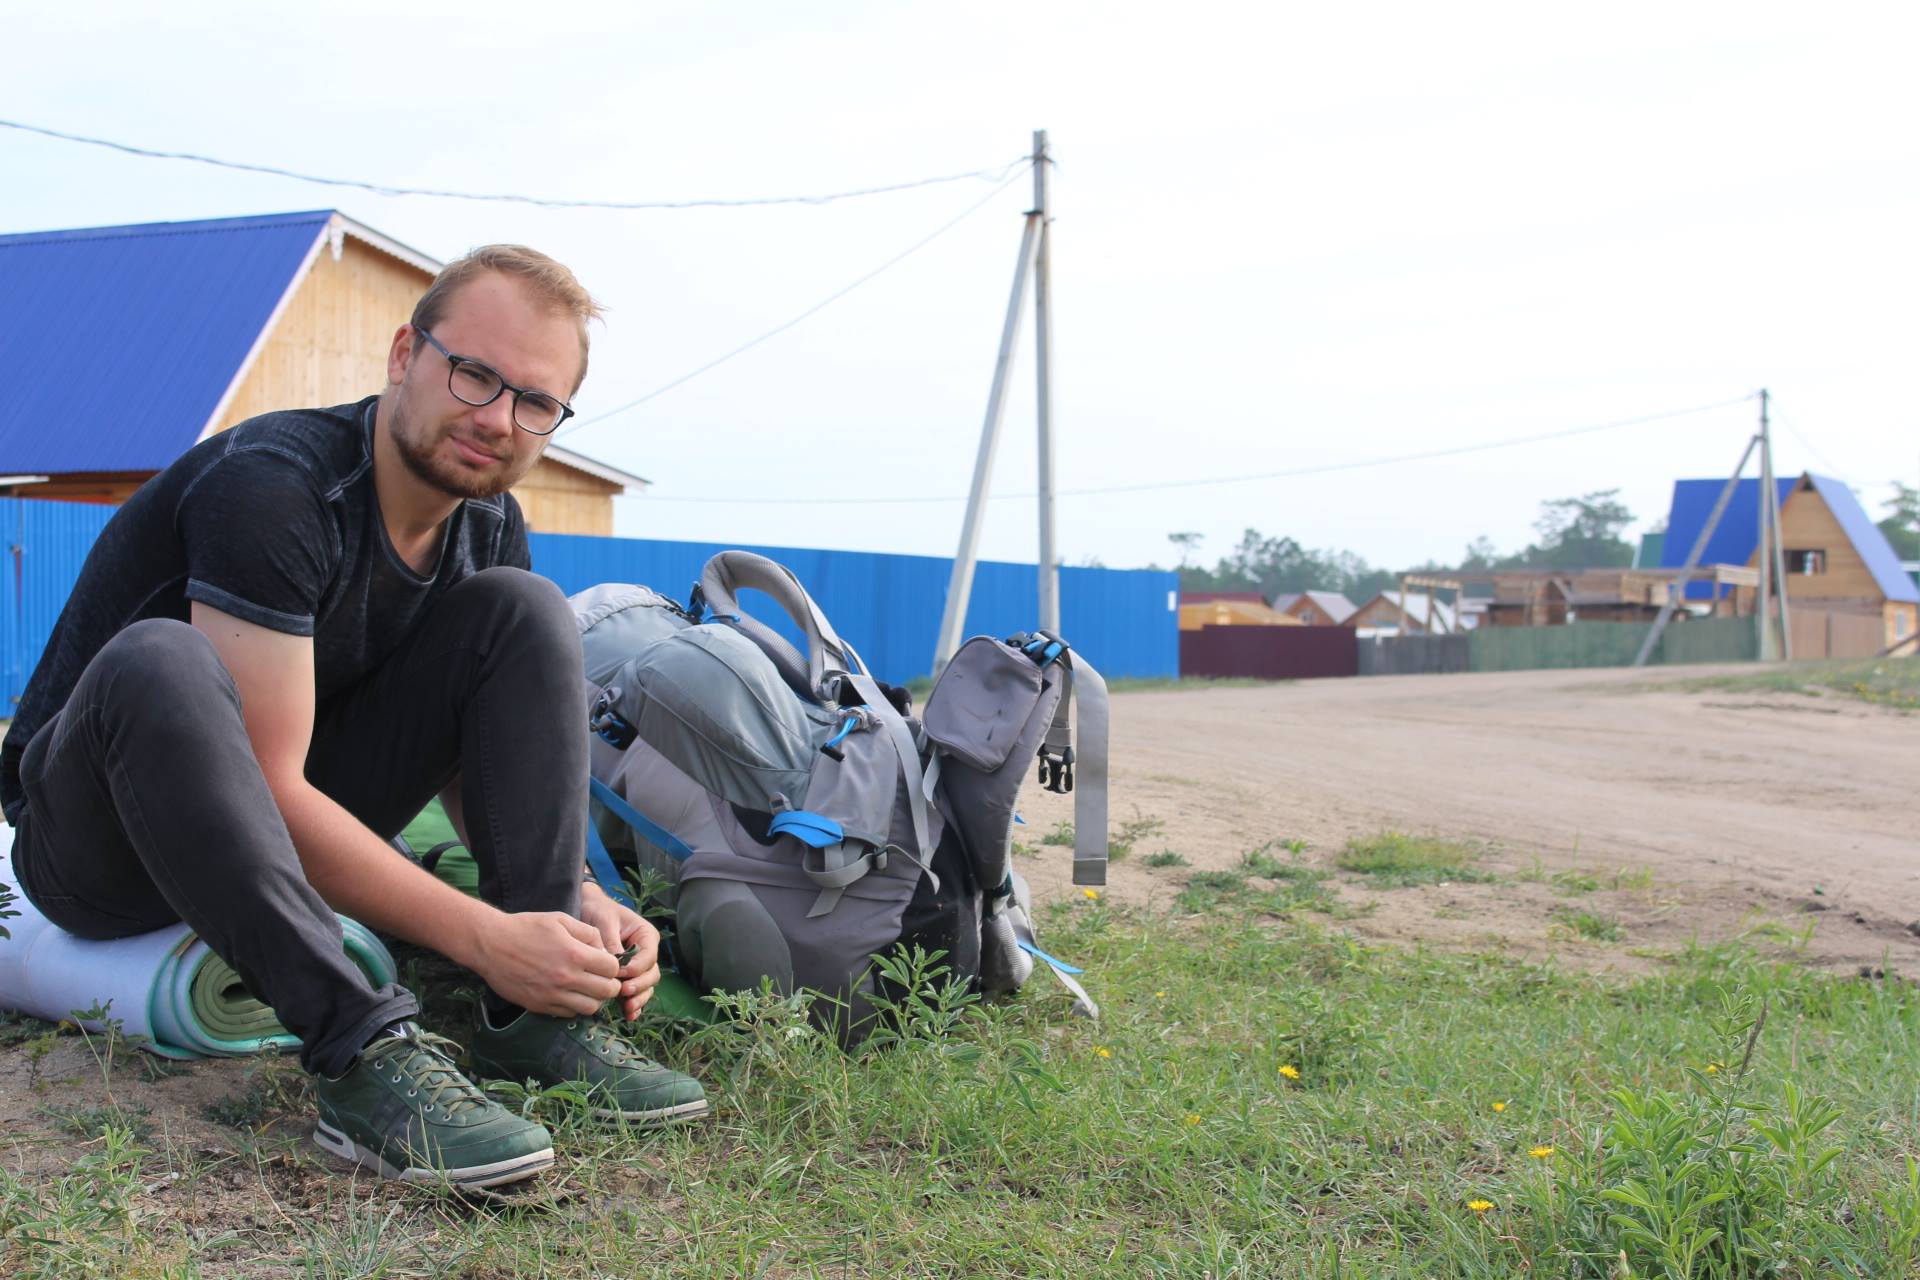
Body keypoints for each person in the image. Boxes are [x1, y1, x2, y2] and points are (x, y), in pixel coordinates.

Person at [0, 245, 705, 1190]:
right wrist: (478, 936)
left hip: (281, 816)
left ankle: (538, 1016)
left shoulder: (487, 521)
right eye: (474, 374)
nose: (497, 419)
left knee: (524, 607)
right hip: (102, 845)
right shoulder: (274, 487)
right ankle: (362, 1053)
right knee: (160, 656)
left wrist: (570, 902)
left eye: (535, 401)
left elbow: (467, 758)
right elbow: (267, 788)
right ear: (404, 354)